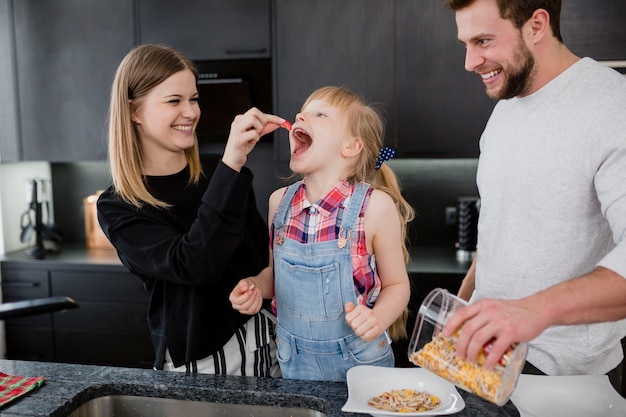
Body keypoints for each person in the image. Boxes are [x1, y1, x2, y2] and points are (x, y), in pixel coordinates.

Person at [440, 0, 626, 391]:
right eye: (466, 44)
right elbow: (502, 231)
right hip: (482, 361)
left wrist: (532, 312)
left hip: (563, 378)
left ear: (537, 24)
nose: (470, 62)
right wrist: (461, 311)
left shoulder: (612, 106)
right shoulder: (506, 105)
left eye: (484, 40)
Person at [97, 44, 287, 376]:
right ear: (133, 111)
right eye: (174, 101)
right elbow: (195, 264)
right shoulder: (118, 206)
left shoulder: (220, 171)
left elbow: (263, 260)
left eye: (194, 99)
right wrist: (233, 163)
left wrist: (258, 285)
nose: (191, 112)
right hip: (203, 361)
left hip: (267, 340)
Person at [229, 86, 414, 381]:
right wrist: (255, 287)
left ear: (351, 146)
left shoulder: (375, 206)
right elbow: (275, 276)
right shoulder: (279, 202)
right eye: (302, 112)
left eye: (320, 114)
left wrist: (376, 319)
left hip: (361, 362)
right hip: (294, 361)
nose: (301, 116)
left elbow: (397, 285)